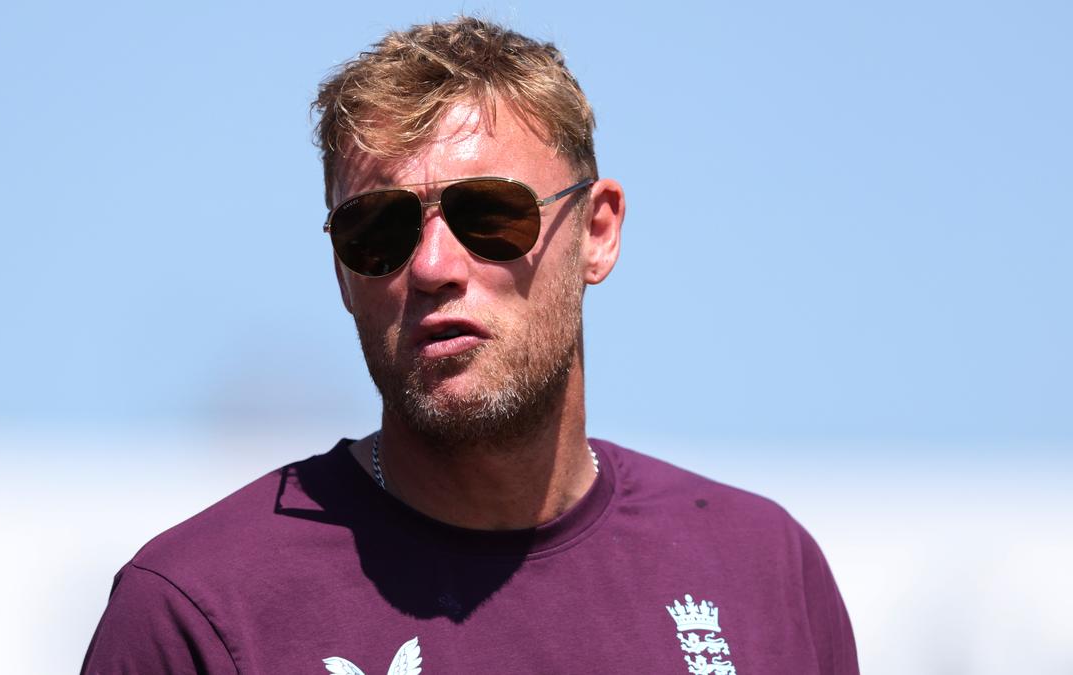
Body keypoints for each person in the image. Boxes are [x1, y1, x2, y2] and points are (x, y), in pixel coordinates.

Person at [81, 17, 858, 675]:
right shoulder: (197, 611)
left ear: (597, 232)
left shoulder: (765, 574)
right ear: (342, 271)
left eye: (488, 215)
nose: (431, 266)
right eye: (378, 230)